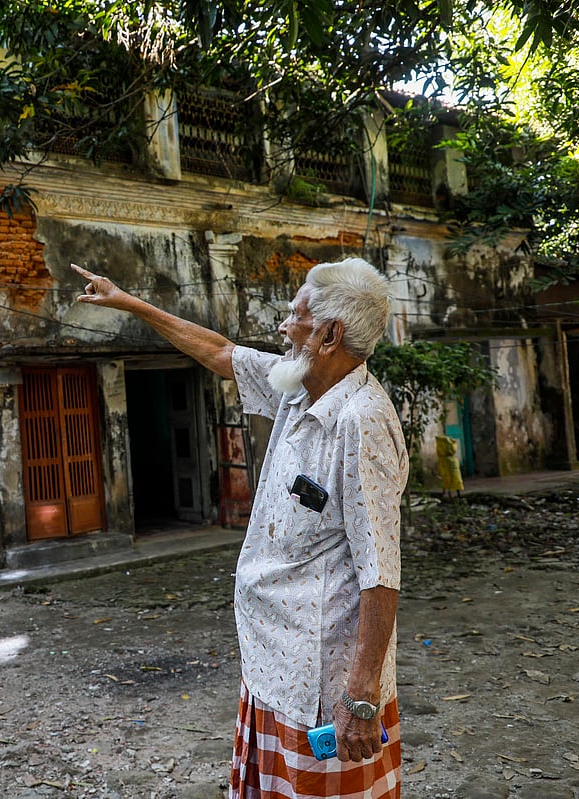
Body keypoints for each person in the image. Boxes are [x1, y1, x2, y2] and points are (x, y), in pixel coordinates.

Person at [72, 258, 408, 799]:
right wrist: (126, 301)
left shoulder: (360, 420)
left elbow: (380, 572)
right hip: (274, 663)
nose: (282, 326)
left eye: (294, 315)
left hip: (324, 685)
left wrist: (361, 697)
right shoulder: (299, 389)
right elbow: (219, 352)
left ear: (329, 335)